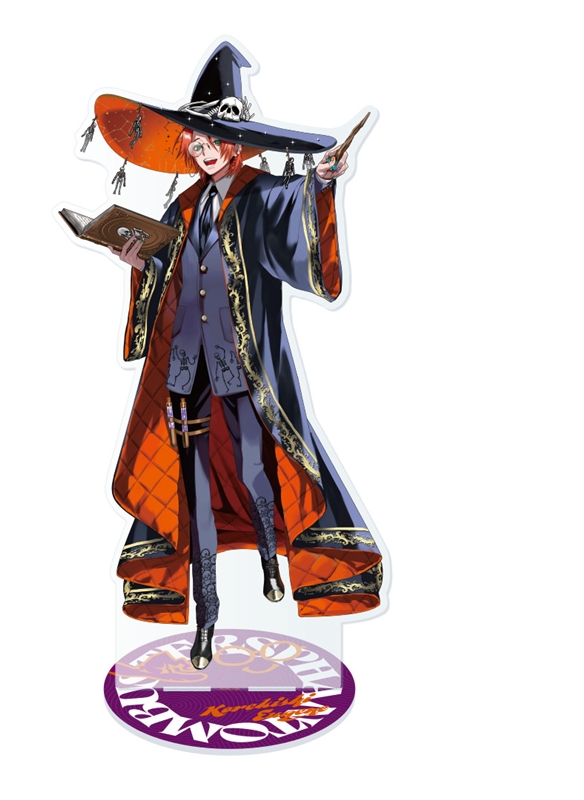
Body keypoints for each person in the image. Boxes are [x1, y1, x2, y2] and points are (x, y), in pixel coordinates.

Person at [89, 42, 383, 670]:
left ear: (238, 142)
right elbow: (167, 274)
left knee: (256, 468)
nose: (202, 149)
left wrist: (322, 182)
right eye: (195, 140)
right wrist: (138, 261)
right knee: (193, 490)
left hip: (243, 367)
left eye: (213, 139)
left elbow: (298, 221)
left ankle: (272, 555)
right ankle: (207, 619)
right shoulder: (181, 207)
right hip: (184, 370)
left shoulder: (263, 193)